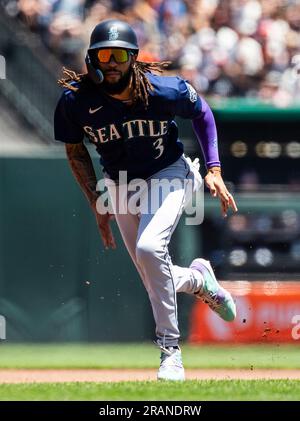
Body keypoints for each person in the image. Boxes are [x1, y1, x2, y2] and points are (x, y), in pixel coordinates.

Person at [54, 19, 238, 381]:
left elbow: (201, 112)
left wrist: (213, 168)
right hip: (119, 182)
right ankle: (199, 281)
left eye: (119, 55)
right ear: (92, 58)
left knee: (151, 250)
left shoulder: (161, 90)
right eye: (103, 54)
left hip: (169, 172)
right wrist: (95, 200)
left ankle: (171, 352)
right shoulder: (77, 100)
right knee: (152, 273)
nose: (111, 62)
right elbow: (76, 151)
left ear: (133, 59)